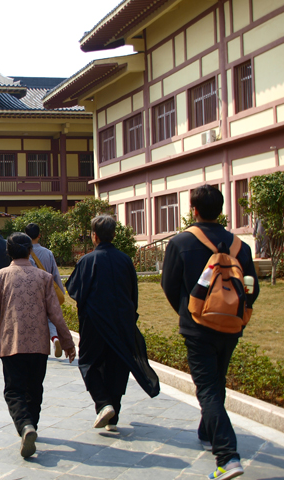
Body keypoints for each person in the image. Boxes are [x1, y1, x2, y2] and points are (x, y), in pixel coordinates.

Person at [161, 185, 259, 480]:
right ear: (221, 210)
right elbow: (252, 287)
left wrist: (188, 312)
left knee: (207, 389)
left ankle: (227, 457)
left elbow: (169, 285)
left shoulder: (181, 242)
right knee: (217, 381)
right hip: (231, 327)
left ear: (194, 210)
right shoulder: (240, 246)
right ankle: (207, 433)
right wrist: (237, 312)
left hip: (198, 327)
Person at [0, 232, 76, 459]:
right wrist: (67, 343)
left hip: (12, 343)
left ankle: (25, 425)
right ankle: (31, 424)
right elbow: (56, 314)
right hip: (39, 345)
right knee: (34, 389)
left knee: (14, 390)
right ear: (30, 251)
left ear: (8, 252)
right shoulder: (44, 277)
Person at [67, 215, 160, 434]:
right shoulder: (125, 260)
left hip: (95, 323)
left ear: (94, 236)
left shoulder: (87, 261)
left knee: (88, 362)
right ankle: (113, 416)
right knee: (117, 365)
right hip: (121, 321)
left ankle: (103, 403)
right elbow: (133, 294)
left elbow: (75, 291)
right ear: (114, 235)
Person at [25, 223, 65, 358]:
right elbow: (55, 273)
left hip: (32, 291)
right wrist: (60, 291)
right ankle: (55, 338)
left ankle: (35, 346)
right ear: (39, 235)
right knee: (50, 316)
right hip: (48, 289)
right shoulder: (48, 253)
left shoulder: (25, 254)